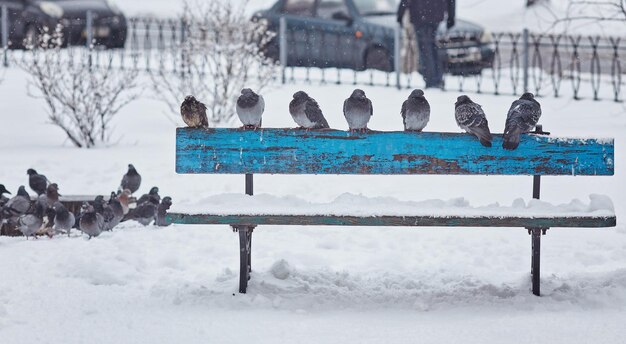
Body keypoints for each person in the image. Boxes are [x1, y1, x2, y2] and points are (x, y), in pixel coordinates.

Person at [397, 0, 456, 89]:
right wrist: (451, 16)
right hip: (436, 14)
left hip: (419, 14)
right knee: (432, 48)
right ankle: (437, 78)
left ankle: (431, 80)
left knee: (425, 49)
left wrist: (400, 15)